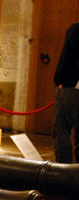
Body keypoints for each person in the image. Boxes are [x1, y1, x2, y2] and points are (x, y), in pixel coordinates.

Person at [51, 23, 79, 163]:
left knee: (61, 131)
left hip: (72, 87)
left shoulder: (76, 30)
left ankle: (64, 175)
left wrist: (59, 79)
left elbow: (66, 57)